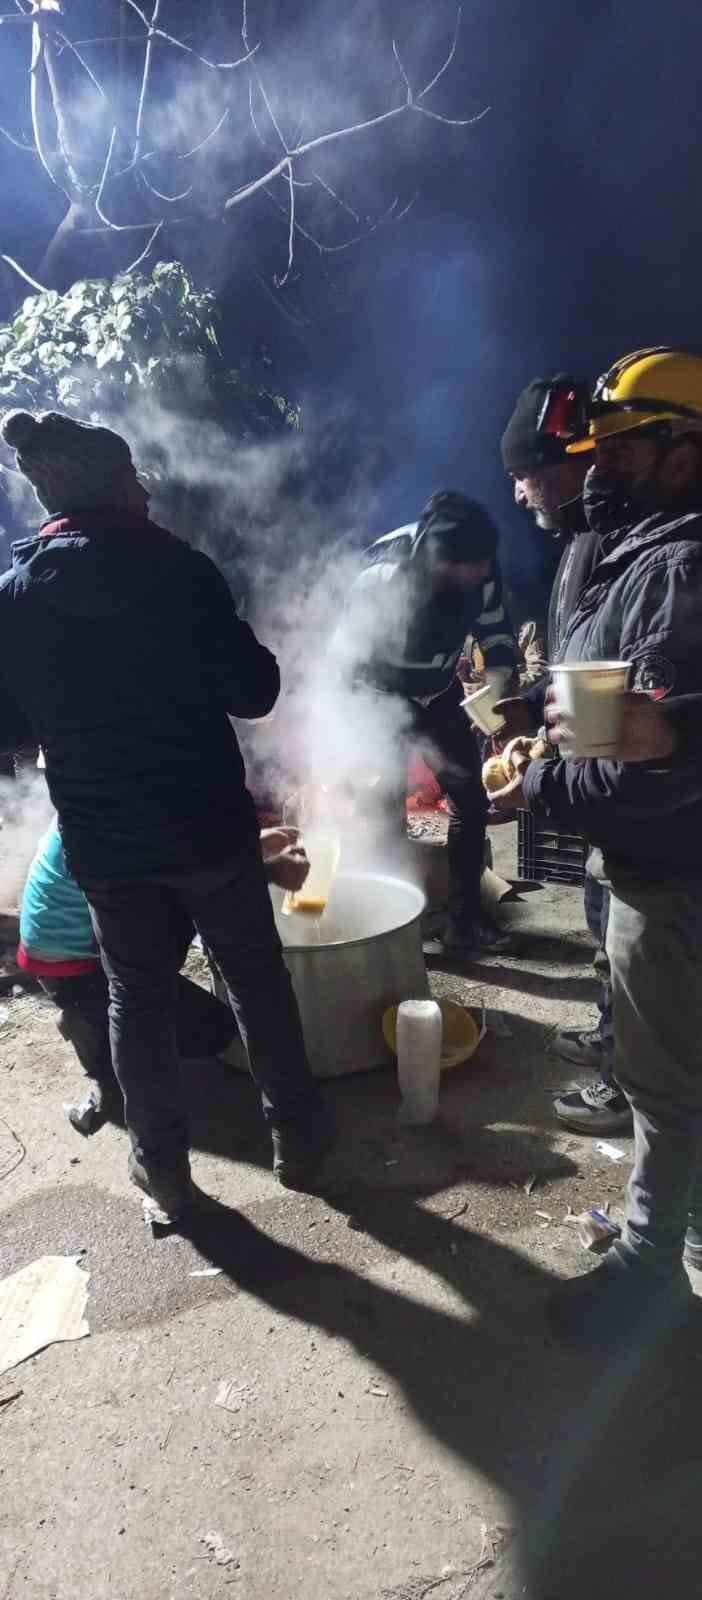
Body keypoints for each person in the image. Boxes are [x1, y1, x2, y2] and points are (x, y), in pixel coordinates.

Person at [0, 406, 329, 1221]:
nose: (147, 490)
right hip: (207, 827)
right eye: (136, 478)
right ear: (117, 486)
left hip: (107, 843)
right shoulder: (178, 570)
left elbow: (7, 733)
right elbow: (254, 691)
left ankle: (166, 1175)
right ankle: (300, 1144)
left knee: (135, 999)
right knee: (254, 979)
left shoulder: (13, 596)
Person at [494, 346, 702, 1344]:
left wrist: (538, 780)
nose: (599, 461)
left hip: (671, 871)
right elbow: (598, 704)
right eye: (598, 443)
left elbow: (645, 757)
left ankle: (651, 1272)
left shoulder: (680, 564)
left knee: (666, 1088)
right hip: (638, 860)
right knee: (667, 1068)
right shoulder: (628, 542)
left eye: (626, 444)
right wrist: (544, 728)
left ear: (683, 450)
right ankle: (679, 1237)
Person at [500, 375, 629, 1134]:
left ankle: (625, 1083)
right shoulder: (585, 536)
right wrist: (541, 725)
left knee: (629, 937)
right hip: (589, 766)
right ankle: (614, 1042)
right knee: (600, 918)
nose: (520, 495)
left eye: (526, 476)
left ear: (574, 462)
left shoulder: (627, 537)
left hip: (628, 784)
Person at [19, 818, 310, 1134]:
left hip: (62, 952)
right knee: (208, 1029)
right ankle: (92, 1029)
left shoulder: (95, 802)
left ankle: (93, 1013)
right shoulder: (122, 820)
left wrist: (252, 844)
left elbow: (182, 852)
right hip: (78, 966)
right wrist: (267, 871)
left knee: (154, 986)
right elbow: (189, 886)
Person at [336, 489, 520, 956]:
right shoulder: (382, 573)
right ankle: (394, 924)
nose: (481, 575)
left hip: (439, 694)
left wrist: (497, 684)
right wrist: (347, 732)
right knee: (383, 810)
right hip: (380, 698)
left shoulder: (482, 566)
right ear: (439, 561)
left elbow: (497, 632)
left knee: (470, 799)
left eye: (484, 566)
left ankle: (464, 919)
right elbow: (343, 657)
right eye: (469, 569)